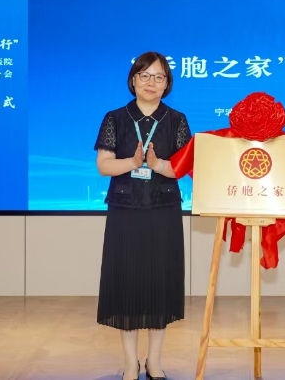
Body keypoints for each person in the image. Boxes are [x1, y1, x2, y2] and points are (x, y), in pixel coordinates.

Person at [94, 51, 191, 380]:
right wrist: (134, 163)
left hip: (164, 210)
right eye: (145, 75)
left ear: (167, 84)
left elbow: (182, 167)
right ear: (133, 80)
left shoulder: (176, 120)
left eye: (159, 77)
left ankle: (154, 361)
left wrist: (158, 165)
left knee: (161, 284)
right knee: (127, 284)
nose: (152, 82)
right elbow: (104, 165)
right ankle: (130, 363)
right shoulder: (115, 118)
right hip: (125, 210)